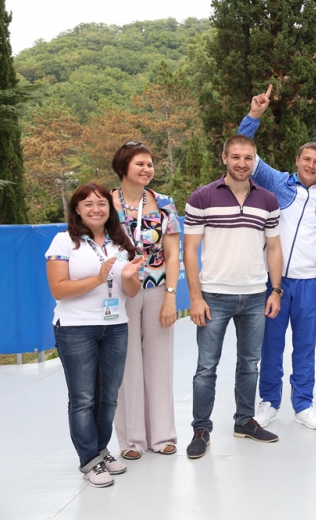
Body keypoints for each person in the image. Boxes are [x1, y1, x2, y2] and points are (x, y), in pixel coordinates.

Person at [238, 87, 316, 431]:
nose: (311, 165)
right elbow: (245, 153)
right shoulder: (278, 183)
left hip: (308, 284)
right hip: (275, 282)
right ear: (297, 161)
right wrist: (254, 115)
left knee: (305, 347)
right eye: (306, 159)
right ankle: (269, 402)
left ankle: (303, 405)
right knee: (272, 346)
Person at [184, 134, 283, 459]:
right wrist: (195, 298)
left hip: (255, 295)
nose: (242, 163)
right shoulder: (202, 197)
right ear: (224, 157)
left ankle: (244, 422)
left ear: (254, 160)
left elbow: (274, 247)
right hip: (214, 295)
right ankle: (201, 429)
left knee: (250, 364)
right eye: (236, 157)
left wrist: (275, 290)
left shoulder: (268, 200)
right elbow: (189, 250)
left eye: (248, 157)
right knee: (206, 368)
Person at [45, 183, 145, 488]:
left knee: (108, 397)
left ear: (109, 208)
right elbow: (58, 289)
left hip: (115, 326)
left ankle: (100, 450)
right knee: (83, 398)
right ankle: (89, 460)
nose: (95, 209)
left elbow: (130, 291)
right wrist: (99, 278)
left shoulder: (120, 242)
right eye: (87, 204)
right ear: (77, 209)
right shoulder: (64, 242)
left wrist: (129, 277)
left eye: (101, 203)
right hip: (75, 328)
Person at [110, 142, 181, 460]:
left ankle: (162, 435)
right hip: (118, 292)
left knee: (159, 361)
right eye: (139, 163)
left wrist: (170, 297)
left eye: (150, 164)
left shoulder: (164, 203)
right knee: (126, 365)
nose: (146, 169)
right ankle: (131, 440)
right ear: (123, 166)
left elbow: (173, 254)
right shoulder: (104, 202)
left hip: (156, 289)